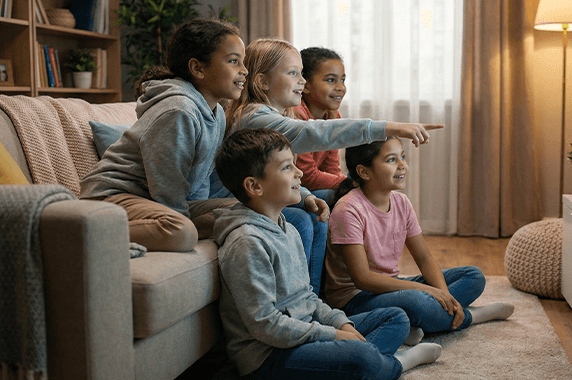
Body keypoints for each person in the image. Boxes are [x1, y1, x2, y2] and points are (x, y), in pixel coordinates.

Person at [213, 37, 443, 294]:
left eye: (302, 74)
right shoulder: (256, 116)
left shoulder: (277, 114)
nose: (302, 81)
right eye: (293, 74)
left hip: (257, 196)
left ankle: (331, 289)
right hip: (238, 202)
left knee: (317, 207)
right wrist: (389, 128)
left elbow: (282, 175)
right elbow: (314, 135)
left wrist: (305, 195)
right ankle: (313, 295)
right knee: (306, 217)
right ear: (263, 82)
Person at [212, 128, 442, 380]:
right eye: (287, 167)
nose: (300, 173)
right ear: (254, 186)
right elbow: (266, 326)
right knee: (360, 358)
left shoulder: (288, 229)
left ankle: (360, 365)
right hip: (268, 356)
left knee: (396, 318)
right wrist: (334, 336)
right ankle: (396, 363)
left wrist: (341, 324)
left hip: (304, 333)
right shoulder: (246, 242)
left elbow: (307, 297)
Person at [324, 137, 515, 344]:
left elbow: (424, 258)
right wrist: (427, 290)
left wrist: (443, 295)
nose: (402, 165)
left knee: (474, 276)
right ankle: (473, 316)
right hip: (356, 298)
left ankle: (419, 322)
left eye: (403, 157)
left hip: (392, 286)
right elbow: (363, 279)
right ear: (364, 172)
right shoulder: (348, 210)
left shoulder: (401, 202)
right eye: (391, 160)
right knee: (417, 301)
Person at [80, 18, 247, 252]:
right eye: (233, 61)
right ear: (198, 68)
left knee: (249, 211)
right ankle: (80, 232)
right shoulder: (178, 110)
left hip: (153, 202)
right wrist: (183, 221)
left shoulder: (216, 112)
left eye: (243, 62)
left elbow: (197, 181)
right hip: (112, 198)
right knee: (181, 232)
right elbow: (166, 186)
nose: (244, 70)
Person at [292, 46, 348, 199]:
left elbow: (331, 169)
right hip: (291, 188)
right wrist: (352, 183)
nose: (340, 88)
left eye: (342, 80)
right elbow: (307, 176)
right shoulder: (296, 115)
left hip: (308, 187)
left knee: (350, 196)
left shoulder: (333, 116)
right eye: (331, 80)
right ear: (305, 85)